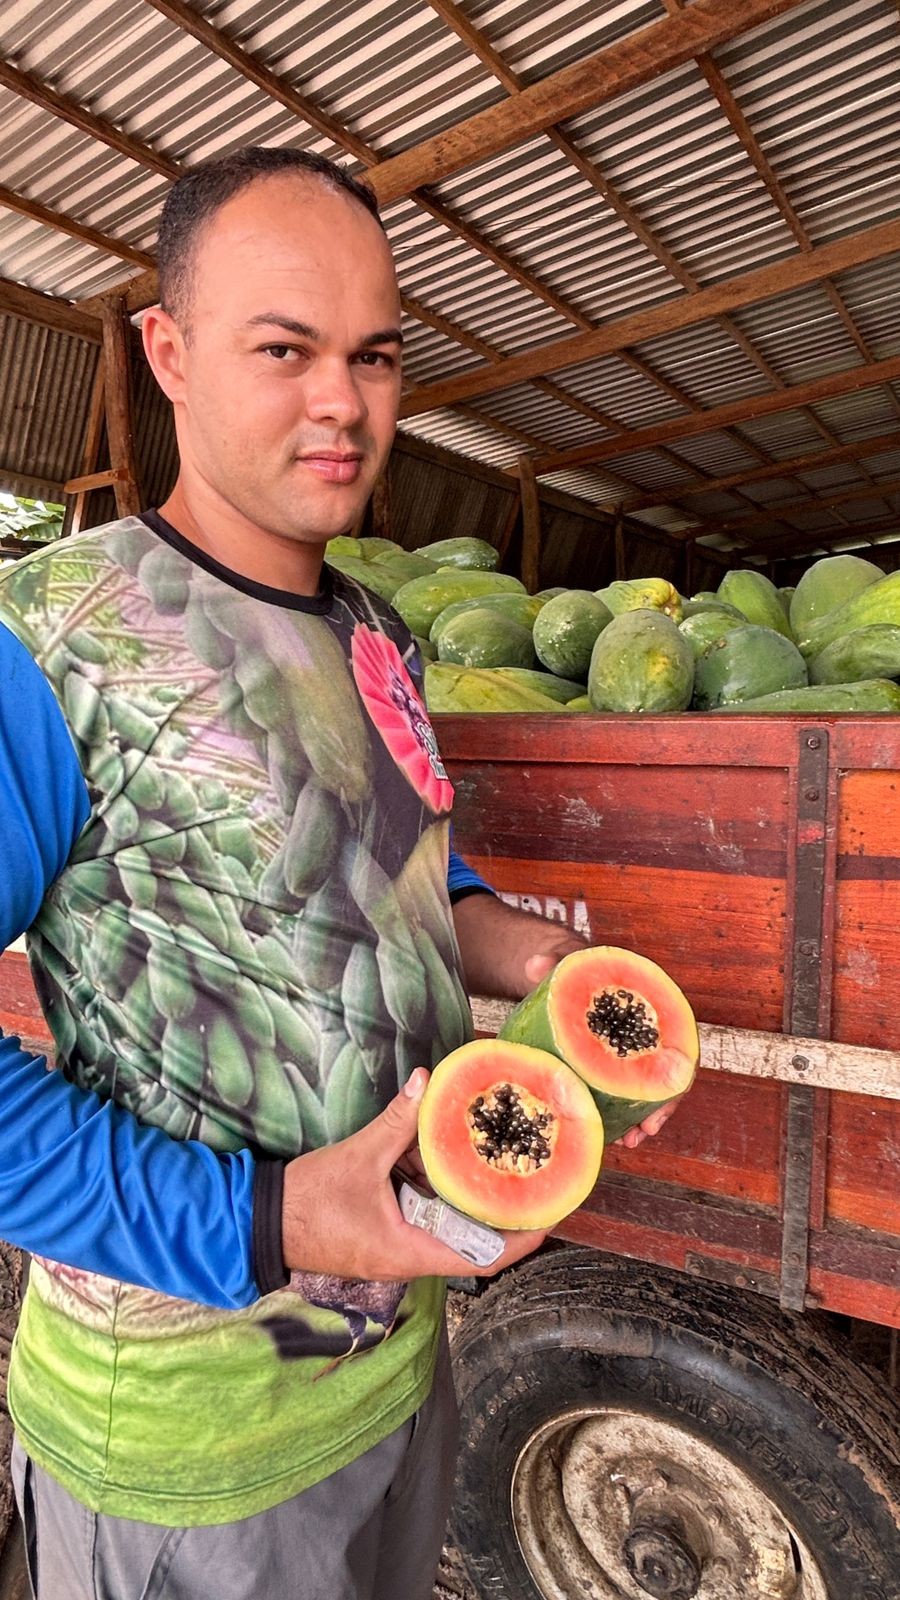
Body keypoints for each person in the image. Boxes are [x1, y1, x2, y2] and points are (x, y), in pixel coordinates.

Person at [0, 147, 678, 1599]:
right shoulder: (49, 641)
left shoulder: (377, 630)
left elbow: (401, 857)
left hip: (394, 1378)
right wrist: (267, 1218)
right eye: (285, 348)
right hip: (185, 1451)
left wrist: (537, 958)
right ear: (168, 354)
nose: (343, 403)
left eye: (374, 356)